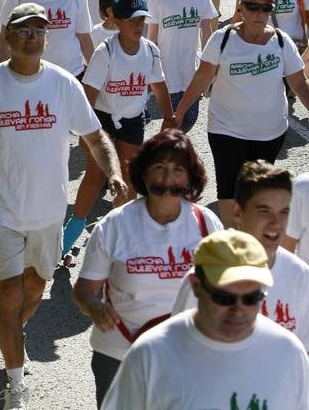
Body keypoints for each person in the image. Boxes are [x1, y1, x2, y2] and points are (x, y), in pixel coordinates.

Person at [0, 2, 125, 410]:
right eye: (23, 31)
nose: (31, 38)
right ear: (8, 36)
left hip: (47, 214)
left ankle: (12, 335)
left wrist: (112, 172)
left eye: (39, 31)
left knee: (34, 289)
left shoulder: (63, 84)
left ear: (47, 38)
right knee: (8, 295)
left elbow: (95, 138)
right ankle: (15, 378)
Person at [73, 130, 221, 407]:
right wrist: (94, 305)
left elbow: (225, 289)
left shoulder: (207, 225)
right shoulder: (115, 225)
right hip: (119, 355)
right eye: (159, 169)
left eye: (178, 170)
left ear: (190, 177)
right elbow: (83, 290)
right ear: (144, 174)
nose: (168, 179)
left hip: (185, 355)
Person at [100, 229, 309, 410]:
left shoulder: (289, 352)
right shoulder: (151, 354)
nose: (238, 310)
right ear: (196, 286)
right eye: (223, 298)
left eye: (251, 298)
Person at [174, 0, 309, 226]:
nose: (259, 13)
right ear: (241, 9)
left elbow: (299, 84)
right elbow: (202, 78)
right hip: (227, 129)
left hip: (269, 132)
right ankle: (233, 244)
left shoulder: (280, 41)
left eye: (265, 8)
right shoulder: (222, 39)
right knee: (229, 191)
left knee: (255, 192)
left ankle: (249, 242)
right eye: (252, 7)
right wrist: (179, 113)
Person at [173, 161, 309, 351]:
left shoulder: (301, 275)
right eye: (264, 211)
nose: (276, 223)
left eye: (284, 212)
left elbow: (303, 350)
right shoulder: (206, 276)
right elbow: (177, 348)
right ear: (237, 212)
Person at [82, 0, 173, 200]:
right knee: (96, 175)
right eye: (131, 20)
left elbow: (159, 85)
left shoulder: (150, 50)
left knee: (130, 175)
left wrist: (169, 117)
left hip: (132, 119)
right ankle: (76, 223)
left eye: (141, 20)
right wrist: (85, 131)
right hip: (101, 119)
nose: (138, 26)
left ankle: (122, 221)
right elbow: (89, 94)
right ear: (116, 20)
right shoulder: (105, 51)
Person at [147, 0, 217, 133]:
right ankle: (168, 151)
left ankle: (170, 147)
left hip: (191, 69)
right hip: (167, 70)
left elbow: (206, 32)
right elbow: (151, 39)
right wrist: (150, 68)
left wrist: (210, 66)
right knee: (173, 120)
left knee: (190, 117)